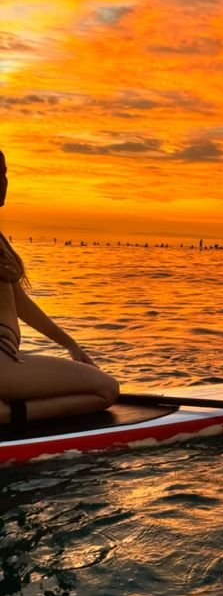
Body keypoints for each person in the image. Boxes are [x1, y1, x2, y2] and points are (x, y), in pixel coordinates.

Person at [0, 150, 119, 432]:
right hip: (2, 364)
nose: (3, 181)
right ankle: (5, 415)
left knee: (96, 382)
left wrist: (69, 344)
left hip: (8, 359)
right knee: (105, 390)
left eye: (5, 172)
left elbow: (21, 303)